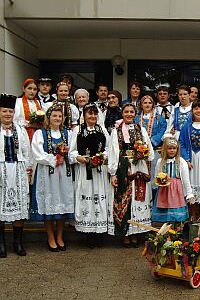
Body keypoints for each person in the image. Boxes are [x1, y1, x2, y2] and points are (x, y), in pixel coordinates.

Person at [108, 103, 154, 247]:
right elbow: (113, 152)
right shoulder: (116, 131)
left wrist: (144, 154)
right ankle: (125, 234)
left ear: (135, 114)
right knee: (124, 200)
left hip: (138, 166)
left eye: (131, 112)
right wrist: (113, 173)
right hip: (124, 168)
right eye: (126, 112)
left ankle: (136, 233)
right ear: (122, 114)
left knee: (137, 199)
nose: (129, 114)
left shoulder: (141, 129)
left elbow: (150, 150)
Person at [30, 105, 74, 252]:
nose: (57, 118)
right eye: (54, 116)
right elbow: (37, 153)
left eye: (59, 116)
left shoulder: (68, 133)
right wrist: (53, 159)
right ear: (48, 118)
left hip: (64, 174)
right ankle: (50, 237)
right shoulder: (40, 133)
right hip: (47, 174)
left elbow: (73, 151)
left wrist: (67, 156)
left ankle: (60, 236)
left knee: (61, 204)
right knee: (50, 205)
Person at [69, 103, 110, 248]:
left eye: (94, 114)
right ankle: (87, 234)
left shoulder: (102, 130)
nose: (92, 116)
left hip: (99, 171)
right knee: (86, 198)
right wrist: (78, 158)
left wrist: (101, 157)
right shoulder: (77, 130)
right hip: (84, 170)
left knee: (99, 199)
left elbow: (108, 148)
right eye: (89, 114)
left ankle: (99, 234)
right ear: (84, 115)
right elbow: (71, 151)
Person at [0, 94, 31, 258]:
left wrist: (28, 171)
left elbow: (26, 152)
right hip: (1, 171)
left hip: (18, 171)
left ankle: (18, 242)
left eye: (10, 111)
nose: (7, 114)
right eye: (4, 111)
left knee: (19, 206)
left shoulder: (20, 130)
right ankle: (1, 244)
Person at [151, 136, 193, 222]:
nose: (172, 150)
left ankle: (176, 231)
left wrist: (189, 194)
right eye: (169, 148)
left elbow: (186, 180)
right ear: (165, 149)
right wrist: (160, 181)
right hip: (163, 191)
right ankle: (165, 232)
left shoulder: (181, 161)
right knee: (165, 216)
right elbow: (156, 176)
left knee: (176, 216)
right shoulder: (160, 161)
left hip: (176, 191)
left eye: (174, 148)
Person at [135, 94, 167, 183]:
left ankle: (154, 194)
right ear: (141, 105)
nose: (147, 105)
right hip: (140, 151)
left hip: (154, 150)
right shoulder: (136, 119)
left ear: (153, 105)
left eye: (150, 103)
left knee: (155, 172)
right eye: (145, 103)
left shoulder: (159, 118)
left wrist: (152, 141)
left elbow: (163, 130)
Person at [14, 78, 44, 143]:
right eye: (29, 88)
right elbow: (15, 120)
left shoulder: (38, 102)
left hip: (37, 134)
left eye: (34, 89)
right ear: (24, 89)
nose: (32, 91)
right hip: (23, 135)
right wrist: (30, 124)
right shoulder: (18, 102)